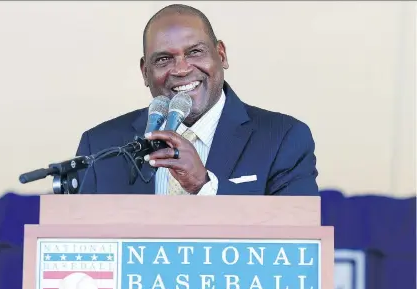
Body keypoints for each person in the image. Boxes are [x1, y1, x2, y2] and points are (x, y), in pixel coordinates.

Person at [76, 4, 319, 196]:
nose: (181, 69)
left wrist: (203, 186)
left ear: (221, 55)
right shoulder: (99, 146)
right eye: (163, 59)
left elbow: (296, 240)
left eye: (195, 52)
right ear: (145, 72)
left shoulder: (282, 139)